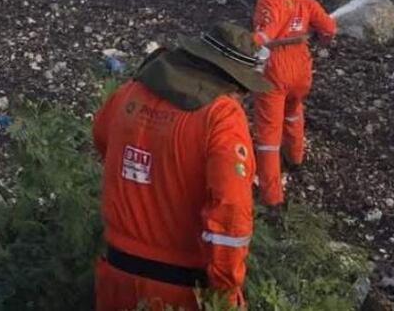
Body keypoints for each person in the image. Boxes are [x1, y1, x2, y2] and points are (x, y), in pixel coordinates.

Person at [93, 22, 272, 311]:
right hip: (179, 291)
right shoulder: (221, 116)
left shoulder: (130, 93)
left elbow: (102, 139)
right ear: (232, 80)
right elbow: (230, 214)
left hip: (115, 277)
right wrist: (225, 292)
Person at [250, 0, 336, 207]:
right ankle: (295, 158)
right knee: (293, 110)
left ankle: (271, 197)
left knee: (268, 134)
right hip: (301, 68)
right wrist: (320, 38)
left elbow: (263, 36)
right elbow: (329, 29)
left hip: (276, 69)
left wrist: (244, 52)